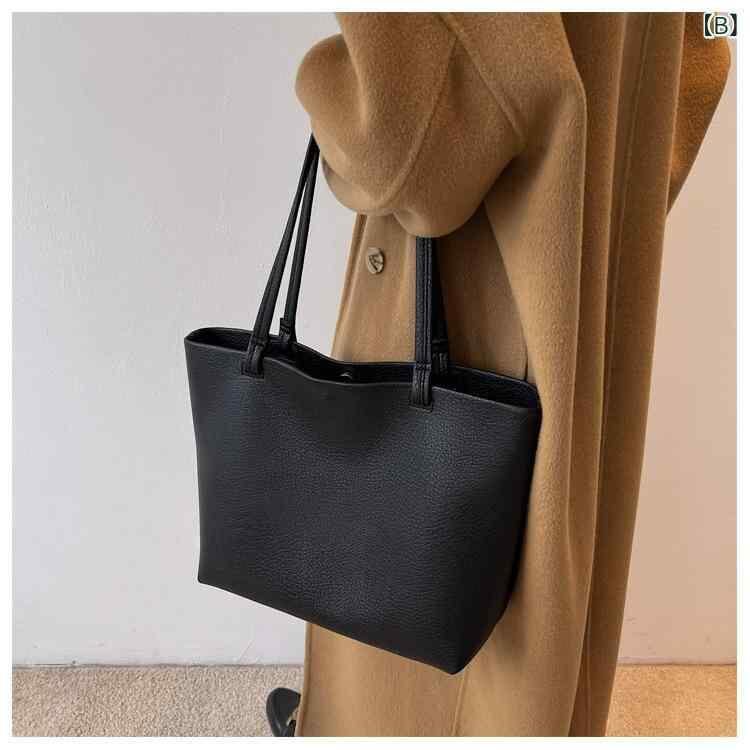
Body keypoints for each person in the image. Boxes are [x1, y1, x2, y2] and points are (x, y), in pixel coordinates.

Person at [269, 12, 730, 737]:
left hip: (494, 260)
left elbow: (403, 142)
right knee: (545, 597)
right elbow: (709, 36)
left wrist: (320, 84)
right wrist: (613, 169)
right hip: (584, 235)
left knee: (443, 598)